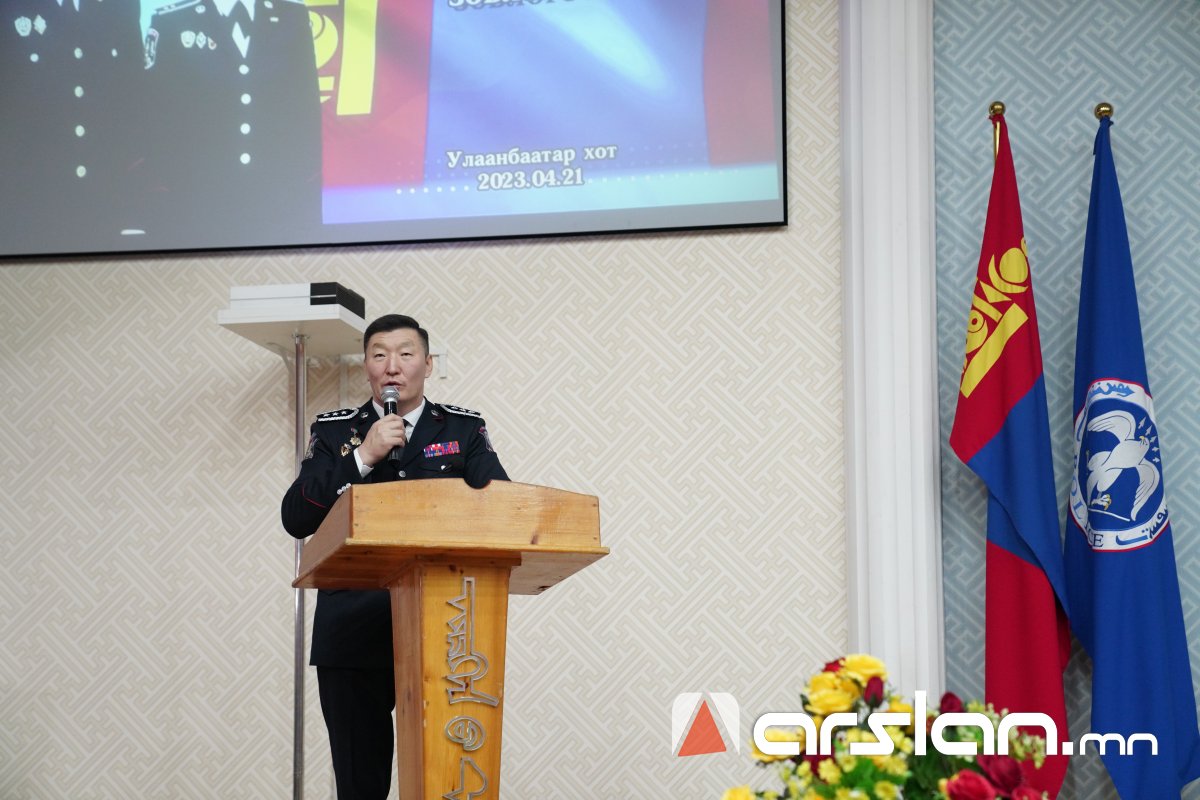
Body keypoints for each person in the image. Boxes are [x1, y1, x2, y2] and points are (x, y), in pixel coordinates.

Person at [281, 314, 508, 800]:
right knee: (360, 786)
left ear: (427, 364)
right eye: (379, 354)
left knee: (447, 779)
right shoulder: (334, 431)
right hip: (351, 631)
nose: (392, 366)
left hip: (444, 631)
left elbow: (501, 508)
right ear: (366, 365)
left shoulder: (464, 429)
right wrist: (362, 457)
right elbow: (297, 517)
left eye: (406, 354)